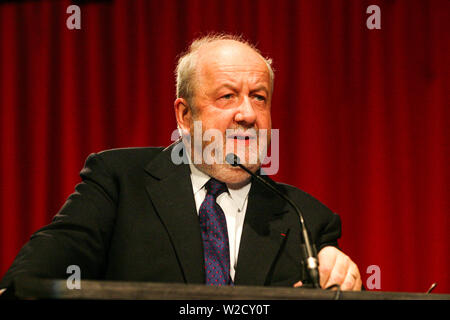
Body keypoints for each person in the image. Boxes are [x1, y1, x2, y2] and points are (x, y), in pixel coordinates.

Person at [0, 34, 362, 294]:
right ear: (185, 116)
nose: (248, 114)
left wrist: (342, 279)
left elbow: (338, 284)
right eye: (227, 96)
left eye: (259, 97)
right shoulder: (119, 183)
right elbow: (35, 275)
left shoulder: (306, 218)